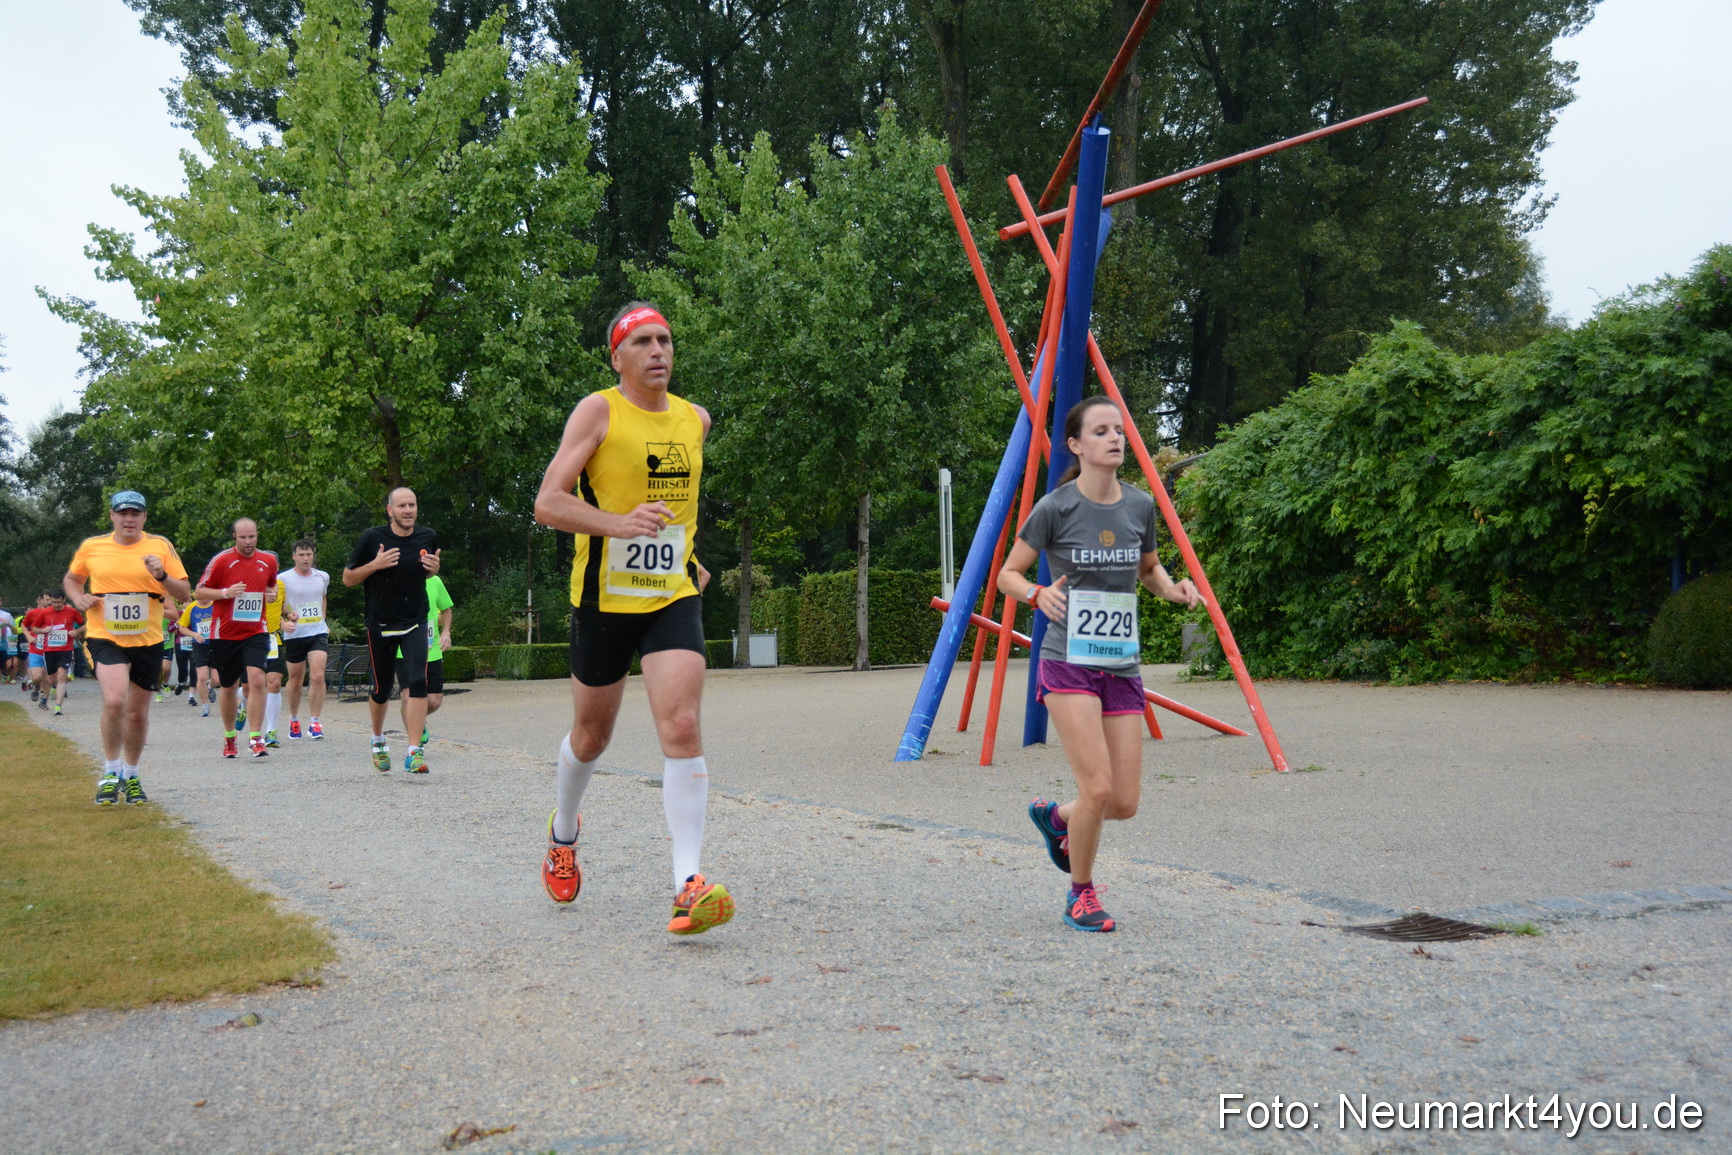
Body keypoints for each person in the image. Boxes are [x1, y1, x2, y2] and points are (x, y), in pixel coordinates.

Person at [531, 301, 730, 936]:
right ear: (616, 357)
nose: (658, 351)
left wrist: (692, 558)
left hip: (671, 595)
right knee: (591, 738)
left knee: (682, 721)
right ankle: (563, 834)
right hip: (602, 601)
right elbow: (547, 503)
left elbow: (683, 506)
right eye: (642, 341)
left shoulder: (695, 420)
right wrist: (618, 525)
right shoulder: (598, 411)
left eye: (665, 340)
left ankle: (687, 883)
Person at [996, 395, 1201, 933]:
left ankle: (1056, 817)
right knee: (1098, 789)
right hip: (1068, 661)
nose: (1115, 438)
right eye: (1102, 431)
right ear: (1076, 444)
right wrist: (1036, 593)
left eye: (1119, 430)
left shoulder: (1138, 507)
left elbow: (1149, 570)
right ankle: (1080, 895)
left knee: (1125, 802)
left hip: (1122, 665)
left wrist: (1174, 590)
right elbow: (1007, 576)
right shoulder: (1056, 507)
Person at [63, 490, 193, 804]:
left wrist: (160, 575)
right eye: (123, 513)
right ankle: (109, 773)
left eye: (135, 513)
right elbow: (72, 579)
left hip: (147, 639)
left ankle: (131, 775)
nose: (129, 519)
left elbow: (185, 592)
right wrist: (79, 598)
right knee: (115, 700)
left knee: (137, 714)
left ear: (144, 517)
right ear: (112, 516)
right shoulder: (93, 547)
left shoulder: (159, 546)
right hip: (104, 636)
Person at [342, 488, 441, 773]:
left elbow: (429, 570)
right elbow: (348, 579)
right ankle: (378, 741)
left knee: (417, 683)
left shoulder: (428, 536)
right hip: (381, 623)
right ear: (390, 511)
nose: (408, 510)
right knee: (382, 689)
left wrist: (435, 568)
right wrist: (375, 565)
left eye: (412, 504)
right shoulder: (373, 538)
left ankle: (414, 752)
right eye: (401, 506)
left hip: (415, 620)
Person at [195, 519, 281, 758]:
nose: (248, 542)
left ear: (257, 536)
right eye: (243, 537)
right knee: (229, 686)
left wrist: (271, 594)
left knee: (256, 680)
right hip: (225, 633)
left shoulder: (268, 560)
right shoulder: (221, 560)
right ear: (234, 536)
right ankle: (230, 737)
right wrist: (225, 593)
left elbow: (271, 586)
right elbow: (199, 591)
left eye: (252, 537)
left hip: (256, 631)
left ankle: (256, 738)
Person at [280, 540, 331, 739]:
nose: (305, 558)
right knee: (295, 679)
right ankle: (293, 719)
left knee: (318, 676)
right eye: (301, 555)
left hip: (317, 632)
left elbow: (323, 598)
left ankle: (315, 722)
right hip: (295, 634)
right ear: (294, 556)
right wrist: (286, 619)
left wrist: (324, 620)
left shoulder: (323, 576)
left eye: (309, 554)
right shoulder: (283, 579)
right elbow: (277, 604)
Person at [399, 573, 453, 745]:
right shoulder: (398, 579)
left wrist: (446, 632)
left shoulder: (435, 581)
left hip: (432, 650)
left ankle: (415, 716)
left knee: (435, 701)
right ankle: (414, 747)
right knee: (410, 693)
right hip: (403, 650)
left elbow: (446, 610)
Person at [26, 591, 84, 716]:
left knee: (62, 674)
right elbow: (34, 628)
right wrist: (43, 630)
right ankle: (51, 688)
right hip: (49, 650)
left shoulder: (71, 611)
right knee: (51, 679)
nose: (56, 605)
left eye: (58, 602)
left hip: (66, 649)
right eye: (53, 602)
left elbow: (85, 625)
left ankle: (58, 706)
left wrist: (77, 631)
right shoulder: (45, 612)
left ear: (63, 600)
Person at [259, 574, 295, 746]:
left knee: (274, 683)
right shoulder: (248, 583)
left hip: (273, 639)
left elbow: (282, 608)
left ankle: (271, 732)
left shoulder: (280, 585)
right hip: (250, 638)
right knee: (247, 688)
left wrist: (288, 616)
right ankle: (243, 706)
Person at [178, 594, 216, 715]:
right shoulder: (191, 607)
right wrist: (194, 635)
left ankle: (210, 687)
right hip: (199, 646)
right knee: (202, 677)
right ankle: (205, 706)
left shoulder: (215, 604)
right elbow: (182, 627)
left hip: (215, 645)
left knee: (217, 679)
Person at [21, 592, 50, 702]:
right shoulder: (33, 613)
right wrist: (28, 636)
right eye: (46, 600)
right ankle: (36, 686)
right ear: (41, 600)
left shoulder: (55, 613)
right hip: (35, 648)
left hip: (51, 649)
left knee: (47, 676)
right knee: (37, 677)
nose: (49, 602)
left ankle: (44, 701)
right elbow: (24, 625)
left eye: (50, 600)